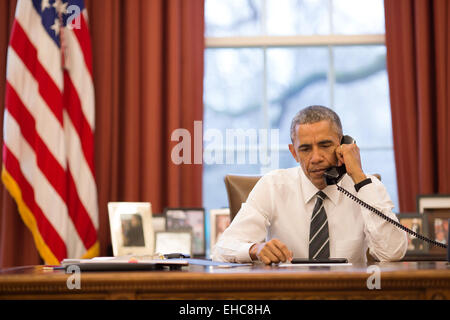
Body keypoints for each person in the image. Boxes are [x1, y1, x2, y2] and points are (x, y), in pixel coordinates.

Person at [212, 105, 408, 264]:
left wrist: (358, 177)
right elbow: (222, 249)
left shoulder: (367, 187)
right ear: (294, 152)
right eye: (305, 149)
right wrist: (255, 249)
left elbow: (392, 252)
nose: (316, 158)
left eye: (325, 146)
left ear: (343, 145)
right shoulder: (273, 185)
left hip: (348, 294)